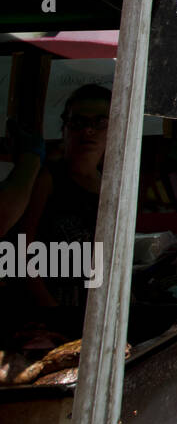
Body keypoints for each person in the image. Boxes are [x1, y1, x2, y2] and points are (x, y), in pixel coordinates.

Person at [18, 84, 112, 306]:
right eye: (78, 122)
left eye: (99, 123)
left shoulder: (110, 185)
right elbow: (21, 250)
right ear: (65, 128)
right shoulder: (47, 179)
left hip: (94, 308)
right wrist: (50, 309)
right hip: (50, 307)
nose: (88, 131)